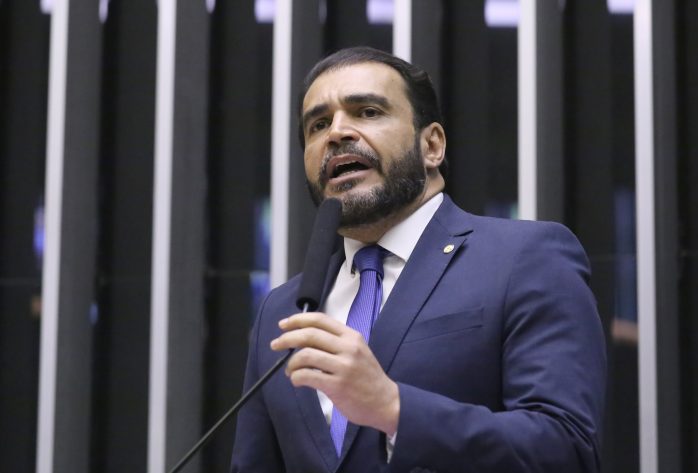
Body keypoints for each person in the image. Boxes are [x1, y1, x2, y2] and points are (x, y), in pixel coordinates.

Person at [231, 46, 606, 473]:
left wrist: (394, 408)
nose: (337, 133)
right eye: (318, 124)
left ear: (432, 145)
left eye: (368, 112)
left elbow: (567, 450)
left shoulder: (524, 258)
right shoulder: (282, 311)